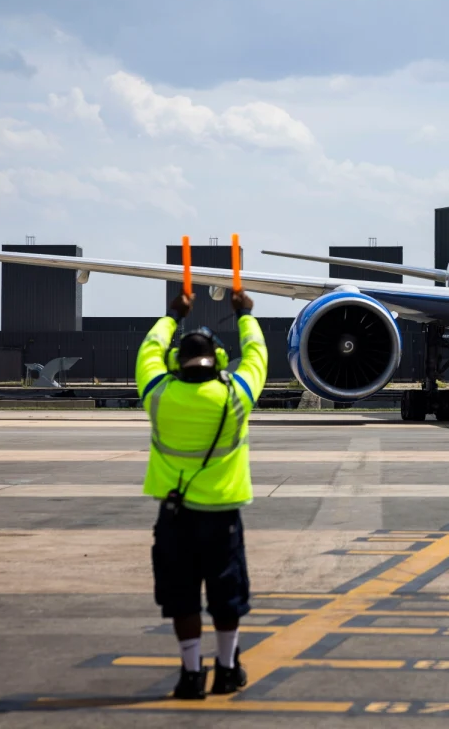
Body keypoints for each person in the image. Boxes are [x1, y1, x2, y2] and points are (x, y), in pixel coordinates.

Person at [136, 289, 267, 700]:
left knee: (182, 598)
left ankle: (191, 675)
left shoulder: (159, 395)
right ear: (220, 362)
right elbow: (258, 355)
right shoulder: (234, 396)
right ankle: (226, 669)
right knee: (227, 598)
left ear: (177, 362)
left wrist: (172, 315)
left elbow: (149, 351)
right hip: (222, 518)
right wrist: (245, 315)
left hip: (175, 518)